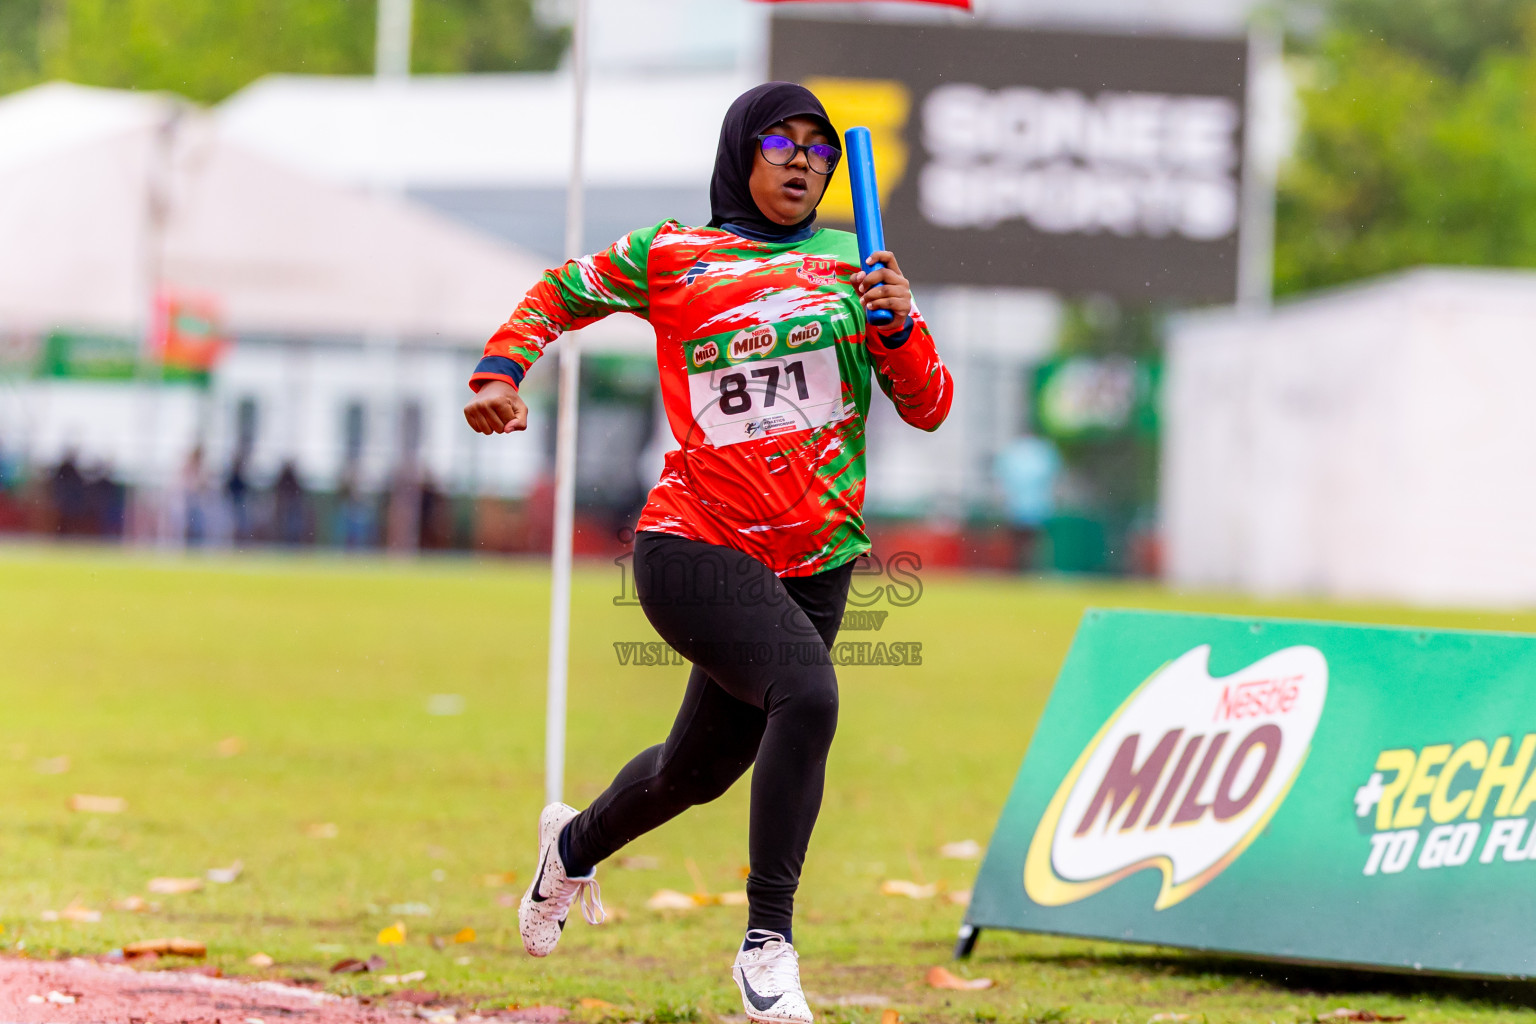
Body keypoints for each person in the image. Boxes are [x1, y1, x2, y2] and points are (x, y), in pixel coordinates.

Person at [463, 83, 952, 1024]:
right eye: (783, 140)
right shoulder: (676, 255)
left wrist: (901, 323)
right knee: (806, 696)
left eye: (820, 147)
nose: (804, 158)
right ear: (742, 152)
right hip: (694, 544)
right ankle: (769, 944)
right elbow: (559, 294)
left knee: (697, 772)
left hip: (817, 559)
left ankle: (570, 848)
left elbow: (928, 404)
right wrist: (498, 372)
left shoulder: (858, 267)